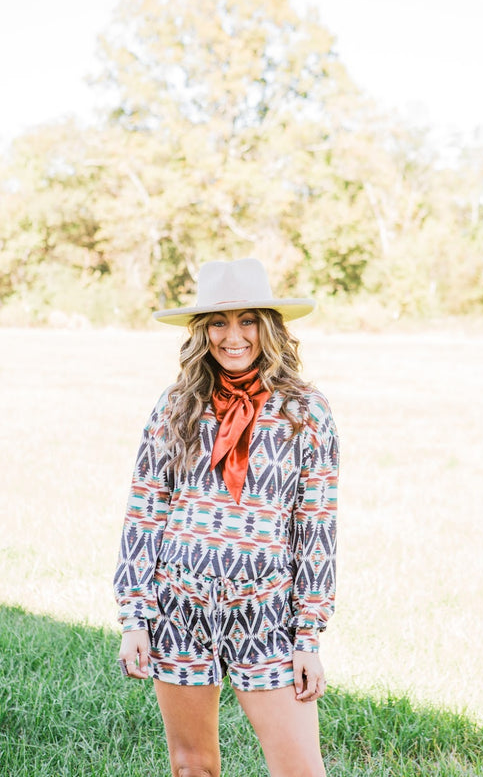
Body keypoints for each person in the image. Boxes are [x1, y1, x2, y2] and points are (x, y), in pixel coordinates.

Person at [113, 258, 339, 777]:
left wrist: (308, 636)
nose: (233, 336)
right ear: (202, 331)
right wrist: (135, 618)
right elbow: (145, 512)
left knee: (301, 770)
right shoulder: (175, 406)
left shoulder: (306, 410)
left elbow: (316, 523)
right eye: (218, 322)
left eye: (248, 320)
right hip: (179, 605)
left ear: (270, 327)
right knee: (192, 766)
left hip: (266, 609)